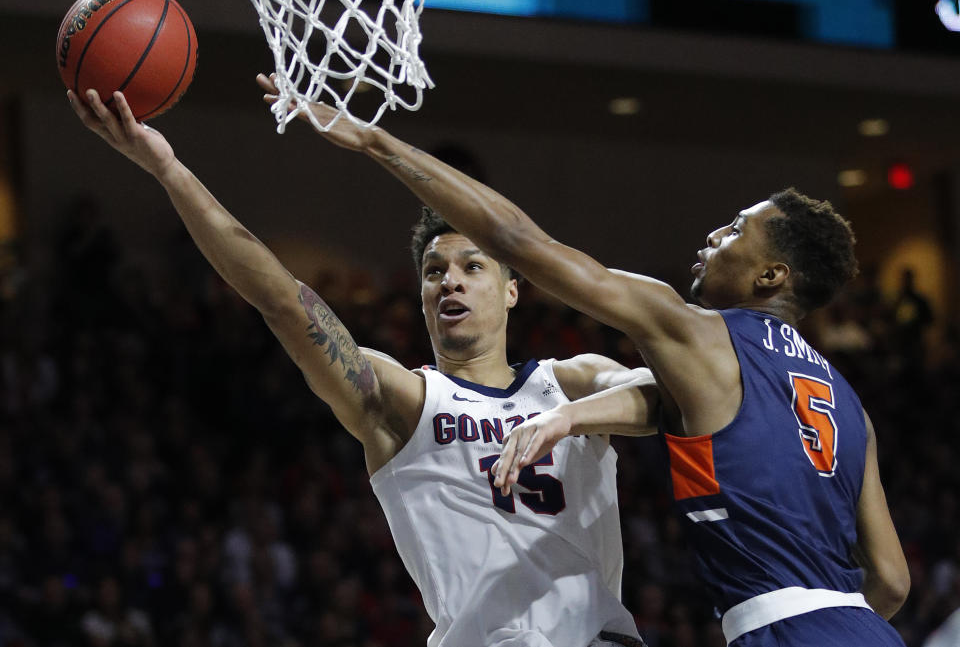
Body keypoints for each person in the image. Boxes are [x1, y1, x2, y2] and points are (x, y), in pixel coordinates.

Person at [275, 81, 912, 646]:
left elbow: (520, 242)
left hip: (780, 627)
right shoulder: (851, 404)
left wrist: (378, 143)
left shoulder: (698, 332)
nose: (713, 238)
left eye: (735, 231)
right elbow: (890, 580)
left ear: (772, 275)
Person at [66, 87, 659, 647]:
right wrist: (168, 170)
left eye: (472, 267)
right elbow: (278, 297)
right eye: (433, 271)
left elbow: (664, 398)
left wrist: (564, 420)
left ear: (512, 289)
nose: (449, 279)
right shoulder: (404, 401)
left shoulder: (572, 380)